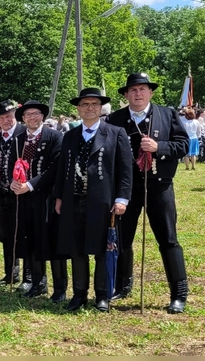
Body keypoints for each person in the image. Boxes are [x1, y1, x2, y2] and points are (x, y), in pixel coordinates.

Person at [106, 73, 190, 314]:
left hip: (159, 186)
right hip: (127, 189)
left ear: (150, 92)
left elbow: (183, 145)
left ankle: (178, 293)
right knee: (123, 238)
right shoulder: (115, 119)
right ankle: (123, 284)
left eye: (142, 89)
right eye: (133, 90)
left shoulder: (168, 114)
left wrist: (159, 147)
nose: (138, 94)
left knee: (168, 239)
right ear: (126, 95)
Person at [54, 88, 132, 312]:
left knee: (100, 249)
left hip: (103, 201)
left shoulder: (115, 133)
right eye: (85, 105)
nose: (89, 108)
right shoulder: (69, 135)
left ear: (101, 108)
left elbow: (125, 171)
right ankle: (79, 294)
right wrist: (59, 196)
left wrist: (122, 199)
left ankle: (102, 295)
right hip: (73, 201)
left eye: (94, 104)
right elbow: (62, 170)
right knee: (76, 249)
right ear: (78, 109)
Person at [11, 101, 67, 301]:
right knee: (31, 238)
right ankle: (38, 282)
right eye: (28, 115)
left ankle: (60, 287)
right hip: (25, 198)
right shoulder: (18, 139)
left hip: (48, 197)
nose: (32, 118)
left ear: (42, 116)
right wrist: (14, 183)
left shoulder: (55, 136)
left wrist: (31, 184)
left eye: (36, 114)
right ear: (23, 118)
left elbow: (54, 168)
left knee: (52, 240)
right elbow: (12, 164)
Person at [0, 100, 30, 290]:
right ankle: (11, 272)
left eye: (9, 116)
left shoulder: (24, 135)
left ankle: (28, 276)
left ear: (15, 116)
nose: (6, 120)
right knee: (6, 233)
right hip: (1, 192)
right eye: (1, 117)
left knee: (24, 233)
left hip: (22, 193)